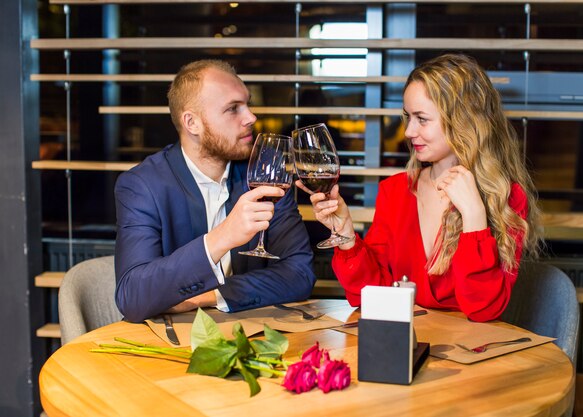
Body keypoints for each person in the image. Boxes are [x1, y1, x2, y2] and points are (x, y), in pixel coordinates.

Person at [299, 53, 541, 322]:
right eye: (408, 117)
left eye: (422, 119)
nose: (408, 131)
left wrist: (474, 218)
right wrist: (345, 236)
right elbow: (368, 295)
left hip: (472, 355)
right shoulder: (396, 191)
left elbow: (484, 309)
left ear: (464, 120)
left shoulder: (506, 197)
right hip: (405, 346)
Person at [115, 60, 316, 323]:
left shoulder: (265, 174)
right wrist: (222, 238)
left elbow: (300, 273)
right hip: (173, 345)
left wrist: (210, 296)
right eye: (233, 109)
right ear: (192, 123)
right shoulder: (143, 185)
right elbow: (133, 297)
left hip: (254, 335)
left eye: (247, 104)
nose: (251, 117)